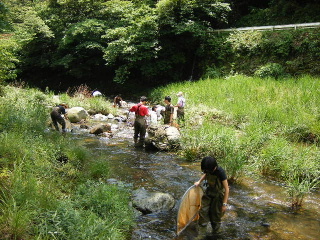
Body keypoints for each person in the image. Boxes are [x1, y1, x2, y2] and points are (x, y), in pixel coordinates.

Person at [194, 156, 229, 236]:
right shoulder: (208, 169)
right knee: (203, 211)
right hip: (209, 192)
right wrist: (199, 181)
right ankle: (202, 233)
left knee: (215, 215)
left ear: (214, 167)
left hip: (219, 195)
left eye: (207, 170)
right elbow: (206, 175)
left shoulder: (220, 172)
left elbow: (227, 189)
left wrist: (224, 204)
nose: (206, 171)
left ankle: (216, 233)